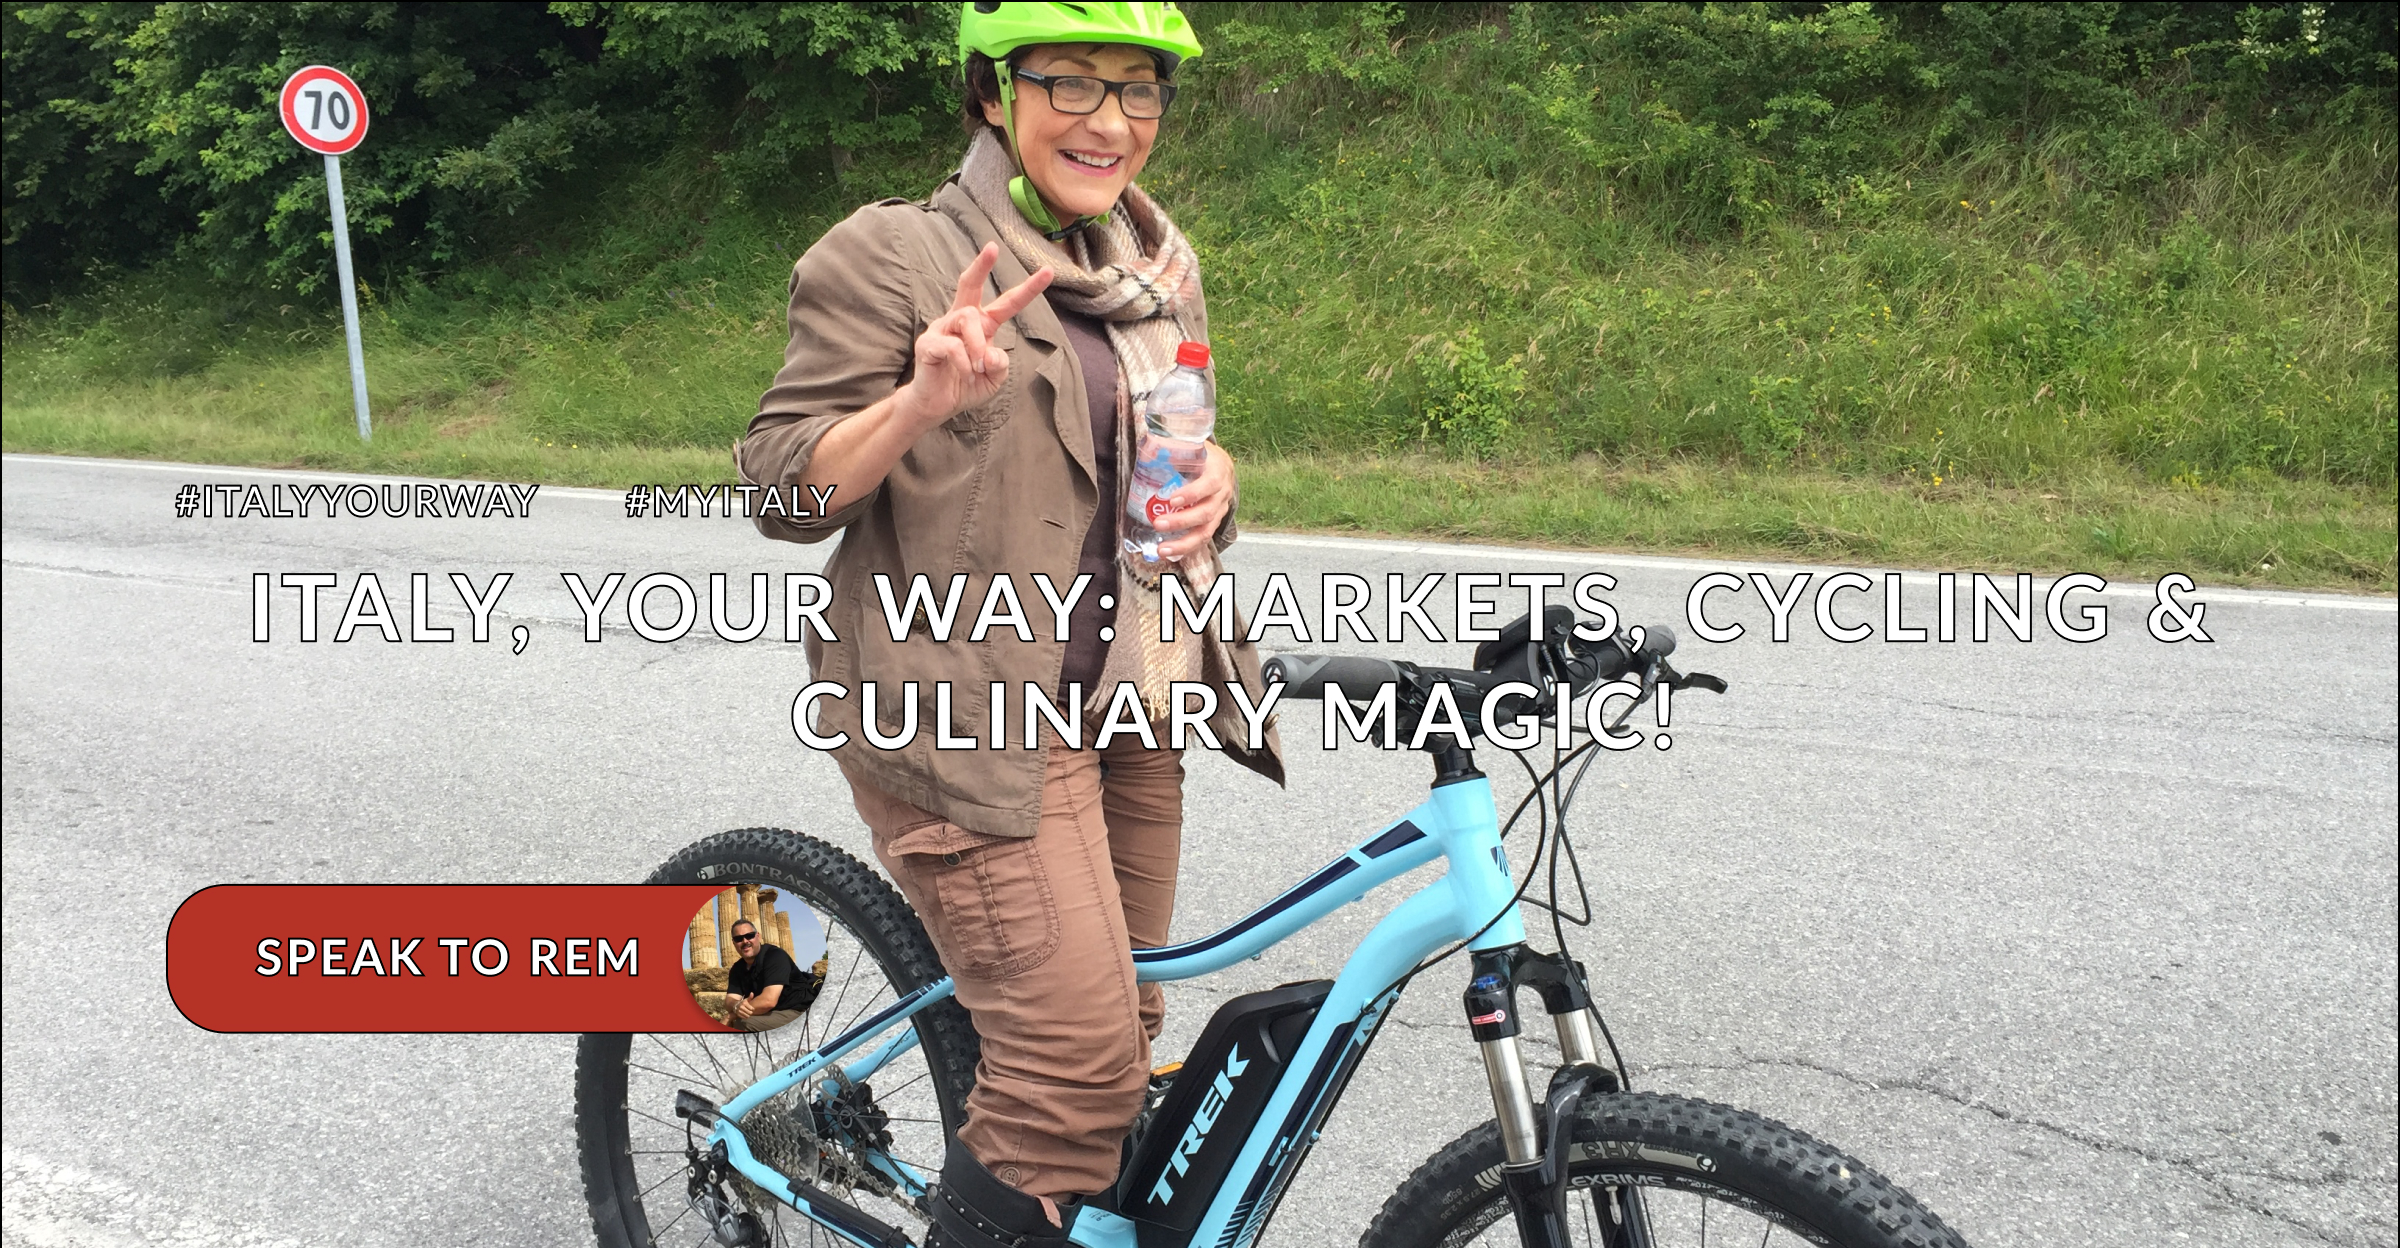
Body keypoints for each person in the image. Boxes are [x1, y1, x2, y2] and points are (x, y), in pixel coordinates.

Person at [735, 3, 1282, 1244]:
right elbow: (779, 488)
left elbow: (1153, 458)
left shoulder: (1158, 267)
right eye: (1070, 84)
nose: (1109, 120)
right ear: (994, 94)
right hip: (969, 721)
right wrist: (919, 400)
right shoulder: (892, 256)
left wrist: (1221, 487)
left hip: (1131, 698)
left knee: (1123, 1036)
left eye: (1139, 90)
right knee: (1072, 1071)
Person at [722, 919, 820, 1032]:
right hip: (774, 1011)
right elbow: (730, 1000)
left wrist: (732, 1015)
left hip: (798, 1009)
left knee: (744, 1023)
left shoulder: (775, 956)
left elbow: (768, 1001)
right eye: (738, 938)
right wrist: (736, 1005)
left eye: (749, 936)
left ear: (758, 936)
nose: (745, 941)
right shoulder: (737, 968)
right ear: (733, 943)